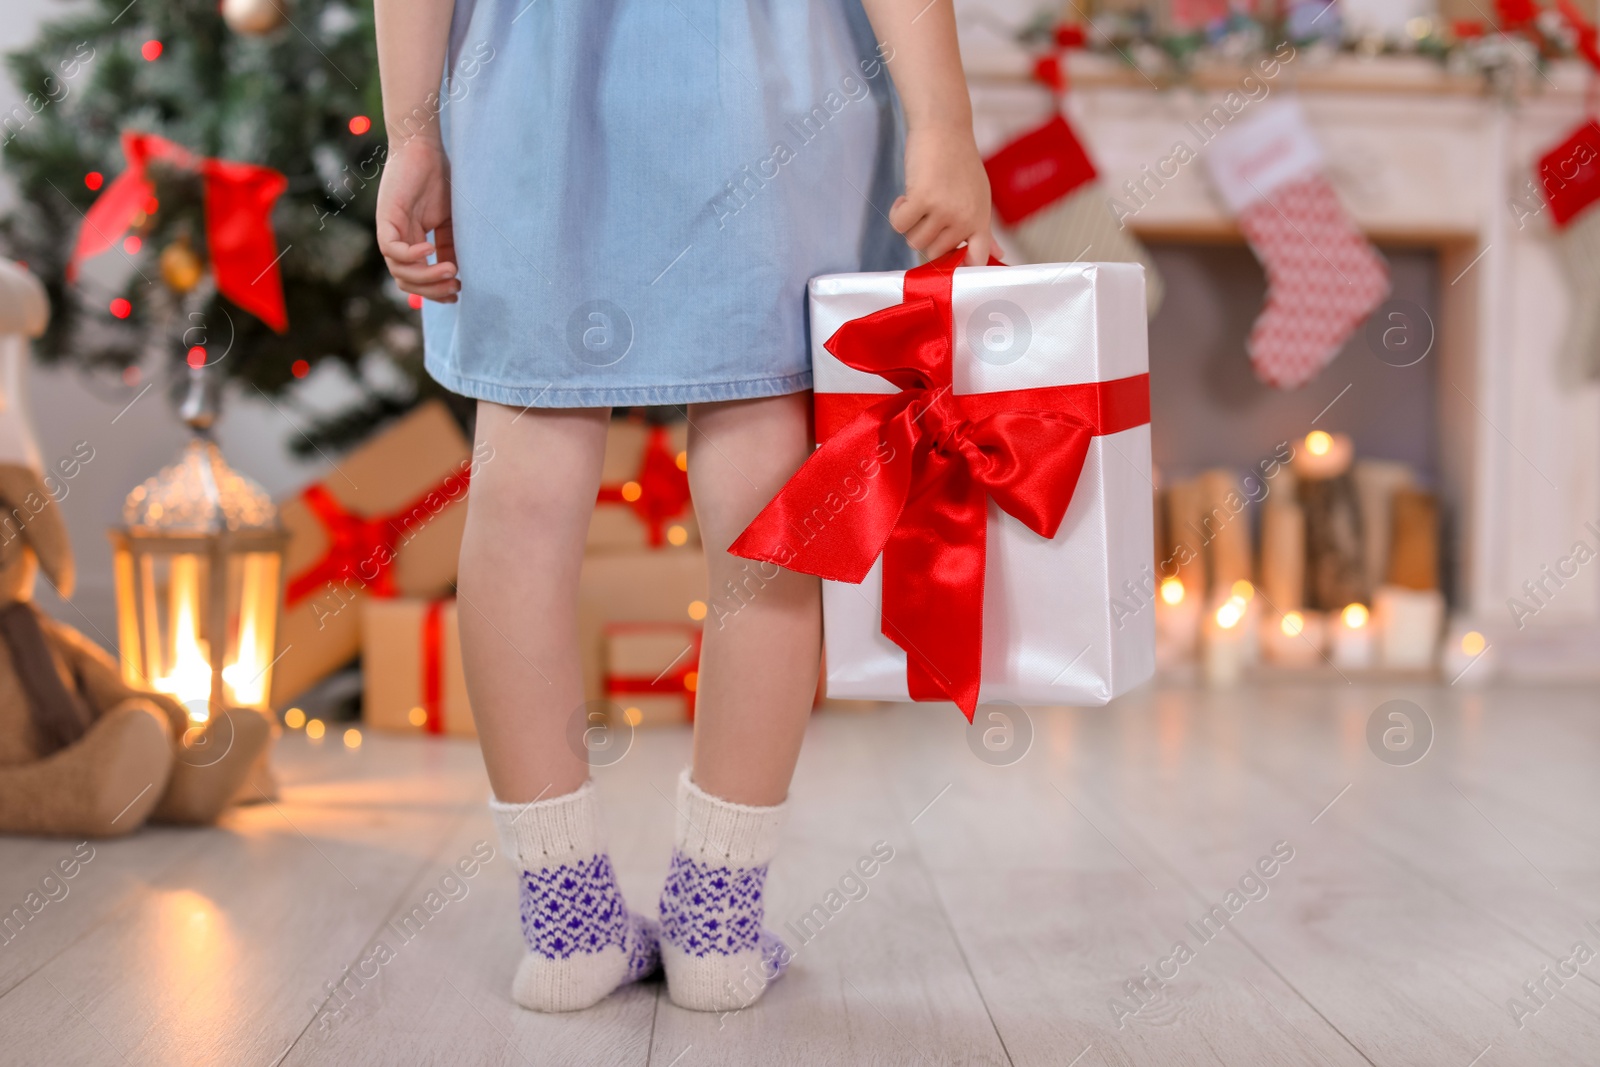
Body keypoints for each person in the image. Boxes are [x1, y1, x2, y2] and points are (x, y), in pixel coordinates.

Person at [373, 0, 994, 1013]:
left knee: (523, 500)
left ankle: (565, 922)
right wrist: (943, 124)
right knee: (764, 505)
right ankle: (718, 919)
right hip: (764, 86)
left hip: (530, 86)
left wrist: (412, 131)